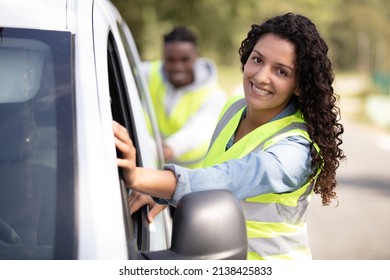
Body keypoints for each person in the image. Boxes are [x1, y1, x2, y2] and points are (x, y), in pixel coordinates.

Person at [113, 12, 345, 260]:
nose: (261, 76)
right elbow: (213, 175)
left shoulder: (295, 150)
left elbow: (232, 178)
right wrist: (163, 191)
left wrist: (141, 177)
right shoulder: (234, 107)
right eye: (257, 60)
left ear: (299, 85)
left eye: (281, 72)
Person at [141, 26, 227, 168]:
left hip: (192, 176)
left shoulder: (214, 96)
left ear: (196, 55)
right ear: (163, 56)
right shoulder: (147, 74)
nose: (177, 67)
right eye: (170, 60)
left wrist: (168, 148)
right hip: (153, 167)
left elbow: (198, 130)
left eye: (184, 59)